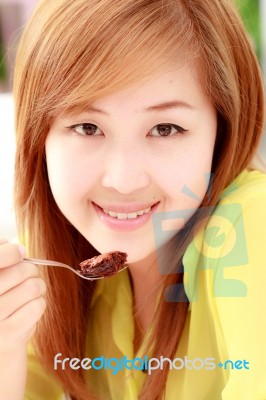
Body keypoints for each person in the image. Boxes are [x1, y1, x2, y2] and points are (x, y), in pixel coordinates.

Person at [0, 0, 265, 398]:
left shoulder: (252, 224)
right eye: (87, 127)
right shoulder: (67, 271)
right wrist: (5, 349)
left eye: (165, 128)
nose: (123, 181)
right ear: (40, 140)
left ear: (221, 131)